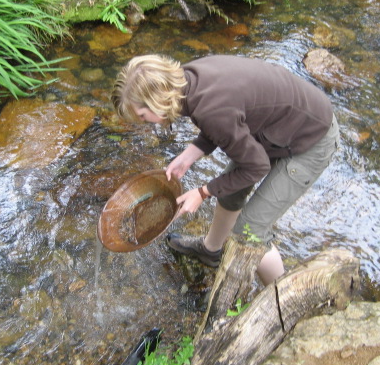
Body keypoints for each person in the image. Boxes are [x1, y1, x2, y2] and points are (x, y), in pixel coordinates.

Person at [111, 54, 339, 285]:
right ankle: (211, 251)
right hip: (279, 124)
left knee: (249, 233)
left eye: (142, 115)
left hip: (311, 139)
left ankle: (283, 298)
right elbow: (229, 117)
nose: (144, 122)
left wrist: (202, 192)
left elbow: (255, 165)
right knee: (229, 191)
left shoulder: (211, 109)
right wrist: (190, 154)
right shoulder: (187, 79)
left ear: (156, 99)